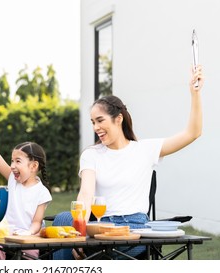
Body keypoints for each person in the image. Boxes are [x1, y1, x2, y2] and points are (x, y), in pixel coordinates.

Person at [53, 65, 204, 260]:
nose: (96, 127)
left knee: (108, 249)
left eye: (100, 120)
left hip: (134, 226)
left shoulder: (145, 149)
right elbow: (86, 194)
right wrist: (78, 232)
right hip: (101, 224)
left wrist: (195, 93)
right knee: (63, 218)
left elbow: (193, 133)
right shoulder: (92, 154)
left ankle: (95, 258)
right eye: (93, 122)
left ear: (118, 119)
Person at [0, 106, 52, 259]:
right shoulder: (12, 179)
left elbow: (36, 222)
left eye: (18, 161)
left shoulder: (42, 193)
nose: (12, 165)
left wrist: (27, 234)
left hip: (29, 238)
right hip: (5, 236)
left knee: (28, 255)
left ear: (33, 166)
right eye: (12, 161)